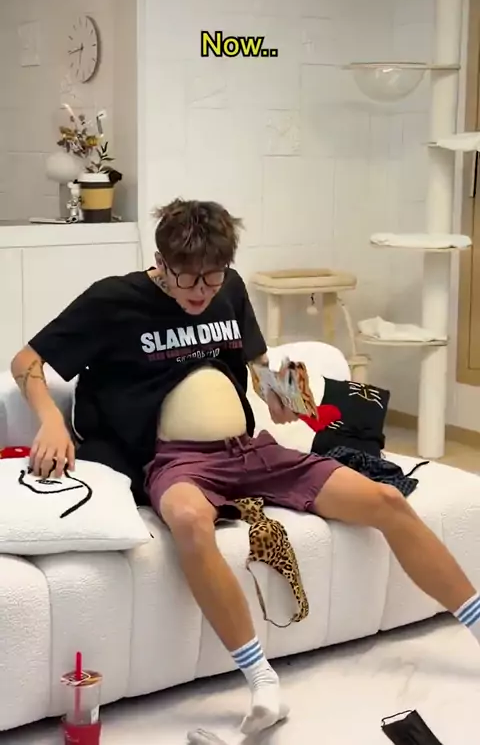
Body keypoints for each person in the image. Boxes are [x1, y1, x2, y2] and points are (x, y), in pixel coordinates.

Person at [10, 199, 480, 739]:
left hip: (248, 449)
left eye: (212, 278)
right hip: (175, 460)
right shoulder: (114, 300)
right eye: (188, 278)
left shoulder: (228, 290)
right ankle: (262, 683)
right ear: (160, 263)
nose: (201, 292)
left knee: (387, 500)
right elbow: (26, 361)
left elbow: (258, 366)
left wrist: (284, 396)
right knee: (189, 520)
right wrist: (51, 422)